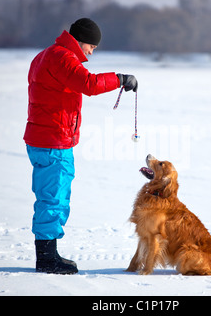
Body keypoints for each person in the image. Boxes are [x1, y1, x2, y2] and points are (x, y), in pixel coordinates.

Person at [23, 18, 138, 274]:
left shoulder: (45, 55)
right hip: (53, 141)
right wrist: (119, 79)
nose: (91, 52)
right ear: (81, 40)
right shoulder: (62, 58)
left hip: (47, 138)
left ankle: (49, 253)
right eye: (92, 46)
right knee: (53, 198)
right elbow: (88, 84)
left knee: (53, 197)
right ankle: (46, 259)